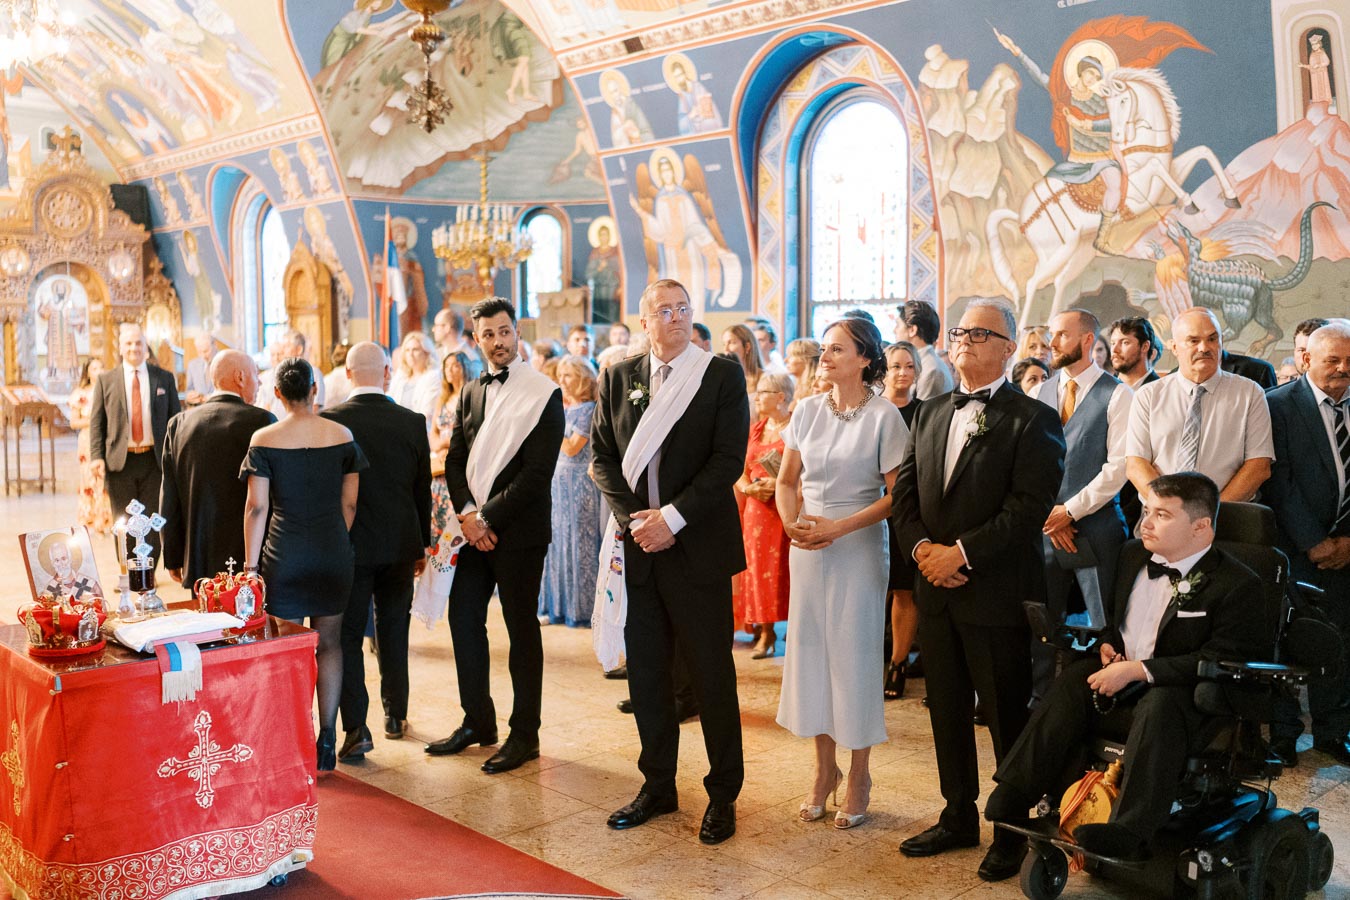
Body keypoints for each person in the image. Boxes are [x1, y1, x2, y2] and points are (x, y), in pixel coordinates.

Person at [983, 473, 1265, 869]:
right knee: (1072, 680)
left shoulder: (1240, 584)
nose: (1145, 523)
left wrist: (1139, 671)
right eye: (1146, 510)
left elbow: (1220, 659)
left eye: (1162, 515)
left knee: (1162, 703)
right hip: (1126, 679)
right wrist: (1108, 646)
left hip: (1191, 696)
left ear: (1201, 526)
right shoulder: (1133, 556)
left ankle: (1130, 829)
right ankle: (1017, 790)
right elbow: (1119, 626)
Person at [891, 299, 1065, 877]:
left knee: (1004, 714)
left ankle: (1010, 828)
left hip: (992, 589)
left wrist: (959, 553)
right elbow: (905, 496)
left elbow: (1026, 509)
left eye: (979, 332)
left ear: (1009, 348)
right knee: (943, 708)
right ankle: (957, 814)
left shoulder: (1033, 419)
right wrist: (923, 553)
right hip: (936, 589)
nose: (963, 339)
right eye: (960, 330)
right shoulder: (930, 410)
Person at [590, 278, 749, 845]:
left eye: (684, 309)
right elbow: (602, 460)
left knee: (710, 676)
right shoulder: (617, 376)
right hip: (639, 549)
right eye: (664, 310)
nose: (677, 318)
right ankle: (657, 785)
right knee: (650, 674)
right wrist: (638, 520)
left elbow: (728, 459)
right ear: (644, 319)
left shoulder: (720, 375)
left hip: (697, 546)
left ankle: (723, 793)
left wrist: (671, 519)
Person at [776, 318, 908, 828]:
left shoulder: (884, 417)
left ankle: (859, 774)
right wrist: (793, 524)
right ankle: (822, 769)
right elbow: (788, 480)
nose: (825, 357)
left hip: (857, 545)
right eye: (824, 349)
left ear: (864, 359)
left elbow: (897, 496)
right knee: (812, 655)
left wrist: (841, 527)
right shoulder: (807, 410)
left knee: (852, 658)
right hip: (807, 546)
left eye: (837, 349)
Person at [426, 298, 565, 775]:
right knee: (464, 619)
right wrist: (468, 515)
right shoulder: (469, 393)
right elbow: (455, 459)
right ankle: (477, 721)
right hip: (472, 531)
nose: (499, 341)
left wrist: (488, 518)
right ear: (476, 339)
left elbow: (537, 471)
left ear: (517, 334)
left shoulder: (543, 392)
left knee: (521, 629)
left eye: (505, 331)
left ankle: (525, 734)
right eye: (489, 334)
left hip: (519, 532)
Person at [241, 357, 367, 771]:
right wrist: (334, 535)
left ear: (277, 393)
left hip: (285, 555)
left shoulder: (264, 438)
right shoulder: (341, 434)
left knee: (289, 648)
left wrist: (250, 567)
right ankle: (328, 738)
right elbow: (350, 502)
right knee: (330, 643)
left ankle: (293, 738)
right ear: (315, 390)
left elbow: (257, 508)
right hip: (332, 551)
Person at [322, 342, 432, 759]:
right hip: (401, 543)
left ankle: (357, 726)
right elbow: (420, 489)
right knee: (393, 629)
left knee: (348, 635)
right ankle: (395, 714)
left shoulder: (330, 421)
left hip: (349, 546)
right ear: (388, 372)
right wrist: (421, 541)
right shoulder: (411, 421)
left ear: (348, 374)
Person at [1032, 310, 1132, 698]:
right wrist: (1048, 514)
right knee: (1042, 620)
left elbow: (1119, 466)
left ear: (1087, 340)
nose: (1051, 343)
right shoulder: (1039, 391)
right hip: (1045, 529)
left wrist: (1069, 512)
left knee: (1101, 621)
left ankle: (1101, 697)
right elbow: (1029, 462)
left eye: (1060, 335)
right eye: (1050, 334)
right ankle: (1038, 701)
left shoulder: (1118, 394)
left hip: (1096, 527)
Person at [1267, 322, 1350, 766]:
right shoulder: (1277, 406)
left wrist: (1346, 544)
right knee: (1286, 638)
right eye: (1332, 360)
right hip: (1294, 549)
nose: (1342, 370)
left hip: (1347, 551)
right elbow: (1278, 483)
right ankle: (1282, 736)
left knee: (1340, 640)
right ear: (1305, 360)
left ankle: (1333, 732)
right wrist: (1315, 542)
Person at [1127, 308, 1274, 503]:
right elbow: (1136, 464)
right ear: (1174, 347)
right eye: (1193, 341)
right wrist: (1173, 513)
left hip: (1228, 516)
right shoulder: (1148, 395)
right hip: (1161, 517)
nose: (1204, 348)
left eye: (1212, 339)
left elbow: (1258, 466)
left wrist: (1211, 516)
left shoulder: (1250, 393)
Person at [160, 350, 275, 590]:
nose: (260, 381)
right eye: (256, 374)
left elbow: (169, 497)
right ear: (241, 377)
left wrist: (172, 553)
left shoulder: (179, 424)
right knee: (251, 625)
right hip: (251, 557)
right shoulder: (263, 422)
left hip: (198, 554)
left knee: (205, 625)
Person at [89, 323, 182, 562]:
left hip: (154, 460)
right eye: (128, 343)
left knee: (153, 518)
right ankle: (129, 569)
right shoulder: (105, 381)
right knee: (124, 519)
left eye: (138, 343)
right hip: (120, 461)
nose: (134, 348)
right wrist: (97, 456)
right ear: (120, 348)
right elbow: (97, 422)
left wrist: (176, 457)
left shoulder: (164, 378)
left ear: (146, 347)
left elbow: (175, 421)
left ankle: (148, 571)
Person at [539, 355, 603, 627]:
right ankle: (559, 606)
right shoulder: (564, 409)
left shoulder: (589, 409)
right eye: (560, 375)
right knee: (559, 543)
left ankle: (584, 608)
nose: (561, 381)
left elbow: (573, 447)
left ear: (582, 378)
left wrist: (547, 430)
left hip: (580, 483)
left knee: (580, 544)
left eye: (567, 375)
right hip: (558, 481)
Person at [735, 372, 793, 659]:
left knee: (787, 570)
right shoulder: (756, 429)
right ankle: (766, 631)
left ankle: (793, 632)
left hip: (785, 507)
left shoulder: (795, 426)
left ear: (781, 396)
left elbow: (806, 467)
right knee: (758, 572)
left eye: (763, 392)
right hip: (757, 510)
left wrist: (779, 484)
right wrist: (748, 490)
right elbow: (739, 469)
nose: (756, 398)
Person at [881, 342, 923, 699]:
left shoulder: (925, 413)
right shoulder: (872, 411)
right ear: (884, 370)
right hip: (869, 510)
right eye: (896, 366)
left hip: (907, 512)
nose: (903, 373)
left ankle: (898, 663)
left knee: (903, 590)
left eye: (909, 366)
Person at [429, 350, 481, 542]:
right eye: (447, 367)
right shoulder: (443, 399)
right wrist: (439, 446)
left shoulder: (470, 395)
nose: (450, 370)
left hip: (462, 461)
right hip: (441, 466)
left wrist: (446, 443)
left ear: (464, 367)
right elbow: (433, 432)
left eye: (455, 365)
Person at [68, 357, 113, 535]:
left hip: (107, 438)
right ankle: (91, 520)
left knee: (106, 479)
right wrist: (93, 421)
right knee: (90, 479)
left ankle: (107, 519)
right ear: (87, 372)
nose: (99, 371)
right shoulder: (81, 393)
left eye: (101, 367)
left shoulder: (110, 390)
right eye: (95, 368)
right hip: (88, 439)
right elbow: (73, 422)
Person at [895, 300, 955, 400]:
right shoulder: (921, 362)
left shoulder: (931, 370)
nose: (895, 330)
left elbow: (922, 414)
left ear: (912, 330)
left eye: (898, 325)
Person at [258, 330, 326, 416]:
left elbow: (315, 408)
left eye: (287, 346)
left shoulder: (313, 372)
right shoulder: (280, 372)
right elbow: (268, 404)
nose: (283, 350)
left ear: (299, 349)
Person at [389, 331, 441, 421]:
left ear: (426, 353)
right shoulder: (400, 376)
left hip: (420, 428)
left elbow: (428, 412)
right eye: (407, 350)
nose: (410, 354)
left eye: (415, 349)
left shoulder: (433, 376)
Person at [1107, 316, 1160, 390]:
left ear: (1145, 347)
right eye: (1113, 343)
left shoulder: (1162, 391)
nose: (1115, 350)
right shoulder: (1101, 389)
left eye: (1125, 342)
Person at [722, 324, 764, 397]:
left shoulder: (764, 378)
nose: (726, 349)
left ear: (747, 347)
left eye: (731, 343)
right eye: (724, 344)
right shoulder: (725, 380)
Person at [784, 338, 821, 403]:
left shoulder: (817, 389)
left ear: (806, 360)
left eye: (791, 356)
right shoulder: (792, 388)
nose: (785, 360)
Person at [184, 332, 216, 404]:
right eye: (199, 352)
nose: (203, 356)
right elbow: (188, 390)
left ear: (214, 345)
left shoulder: (225, 362)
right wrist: (189, 396)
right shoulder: (192, 365)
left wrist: (213, 397)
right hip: (199, 410)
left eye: (206, 351)